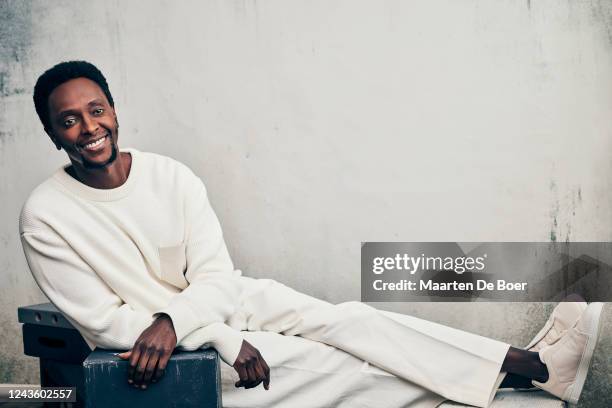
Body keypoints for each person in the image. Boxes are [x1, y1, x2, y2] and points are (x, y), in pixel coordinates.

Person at [19, 60, 603, 407]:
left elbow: (218, 279)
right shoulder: (46, 215)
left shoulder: (170, 176)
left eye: (96, 110)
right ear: (53, 133)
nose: (88, 128)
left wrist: (186, 320)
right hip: (167, 358)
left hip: (213, 313)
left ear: (114, 111)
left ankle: (529, 364)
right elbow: (107, 323)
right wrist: (218, 339)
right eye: (68, 119)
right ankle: (521, 393)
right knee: (336, 368)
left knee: (355, 321)